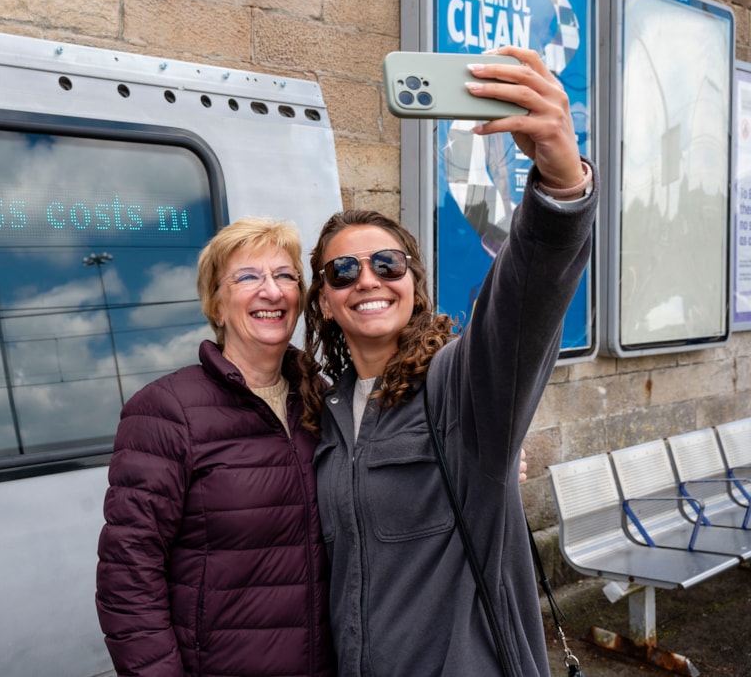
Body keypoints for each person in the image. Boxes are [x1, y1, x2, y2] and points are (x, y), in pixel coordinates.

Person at [299, 46, 595, 677]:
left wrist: (562, 185)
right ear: (323, 302)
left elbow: (525, 298)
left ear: (413, 282)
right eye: (343, 270)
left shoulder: (460, 385)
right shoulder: (323, 414)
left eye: (388, 264)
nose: (367, 280)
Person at [95, 218, 335, 677]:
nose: (272, 291)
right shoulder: (166, 410)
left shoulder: (324, 400)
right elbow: (127, 575)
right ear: (217, 306)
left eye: (285, 275)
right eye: (248, 277)